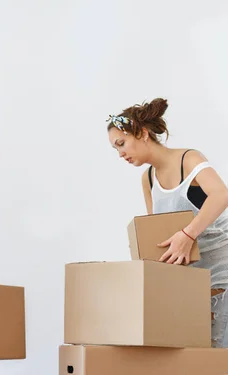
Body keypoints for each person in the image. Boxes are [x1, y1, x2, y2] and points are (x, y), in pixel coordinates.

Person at [106, 98, 228, 347]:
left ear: (142, 133)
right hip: (191, 288)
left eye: (121, 144)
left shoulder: (189, 160)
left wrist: (188, 234)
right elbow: (157, 235)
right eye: (115, 149)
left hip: (222, 281)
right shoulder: (148, 179)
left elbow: (222, 195)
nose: (120, 154)